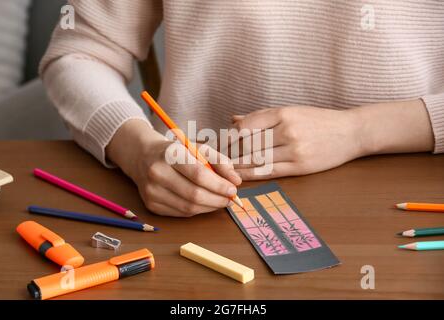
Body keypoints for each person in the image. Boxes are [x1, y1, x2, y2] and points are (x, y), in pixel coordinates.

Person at [40, 1, 444, 217]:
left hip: (407, 210)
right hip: (197, 203)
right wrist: (138, 150)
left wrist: (359, 131)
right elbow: (79, 53)